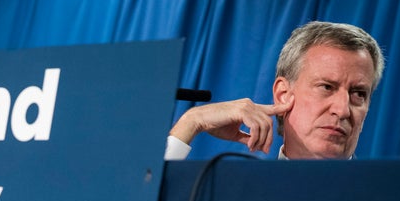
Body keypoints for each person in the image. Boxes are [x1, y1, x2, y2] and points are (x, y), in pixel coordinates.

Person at [165, 21, 385, 160]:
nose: (343, 110)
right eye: (327, 87)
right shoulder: (234, 193)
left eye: (358, 94)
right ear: (283, 94)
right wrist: (192, 122)